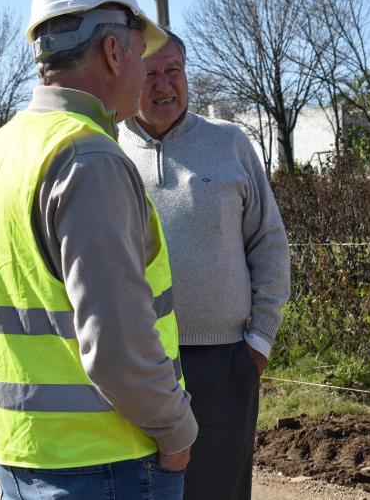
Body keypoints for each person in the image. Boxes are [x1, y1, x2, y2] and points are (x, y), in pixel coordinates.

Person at [0, 0, 197, 500]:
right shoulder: (88, 158)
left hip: (20, 456)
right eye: (139, 53)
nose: (142, 70)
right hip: (109, 461)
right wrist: (176, 431)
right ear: (115, 52)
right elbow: (117, 342)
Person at [118, 29, 291, 500]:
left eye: (174, 70)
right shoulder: (105, 151)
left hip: (224, 360)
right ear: (128, 74)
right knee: (144, 488)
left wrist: (258, 341)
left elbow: (270, 243)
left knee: (219, 490)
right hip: (137, 360)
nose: (163, 84)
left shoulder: (230, 144)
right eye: (150, 72)